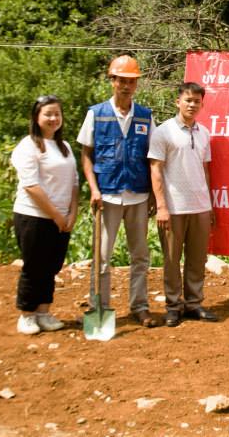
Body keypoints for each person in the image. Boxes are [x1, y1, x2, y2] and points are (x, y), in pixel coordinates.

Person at [77, 55, 158, 328]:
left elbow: (152, 159)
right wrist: (93, 189)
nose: (126, 86)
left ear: (136, 84)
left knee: (140, 256)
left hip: (137, 194)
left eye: (131, 81)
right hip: (107, 195)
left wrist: (155, 198)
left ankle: (140, 306)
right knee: (102, 257)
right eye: (121, 80)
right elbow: (86, 155)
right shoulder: (96, 114)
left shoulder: (146, 116)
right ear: (112, 81)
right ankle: (98, 307)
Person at [149, 82, 219, 327]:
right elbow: (155, 170)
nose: (192, 105)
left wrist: (209, 204)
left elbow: (205, 170)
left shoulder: (204, 133)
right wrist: (161, 207)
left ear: (202, 104)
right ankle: (173, 306)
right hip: (173, 207)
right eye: (187, 100)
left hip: (199, 206)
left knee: (197, 259)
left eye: (196, 101)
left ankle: (194, 303)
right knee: (171, 259)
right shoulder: (163, 132)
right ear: (177, 101)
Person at [10, 95, 79, 335]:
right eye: (48, 114)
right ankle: (27, 315)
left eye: (57, 114)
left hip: (61, 217)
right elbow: (31, 186)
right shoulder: (28, 146)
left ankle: (44, 312)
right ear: (37, 117)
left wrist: (71, 213)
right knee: (34, 265)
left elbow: (74, 183)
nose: (53, 118)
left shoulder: (65, 147)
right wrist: (55, 216)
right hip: (33, 216)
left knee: (52, 266)